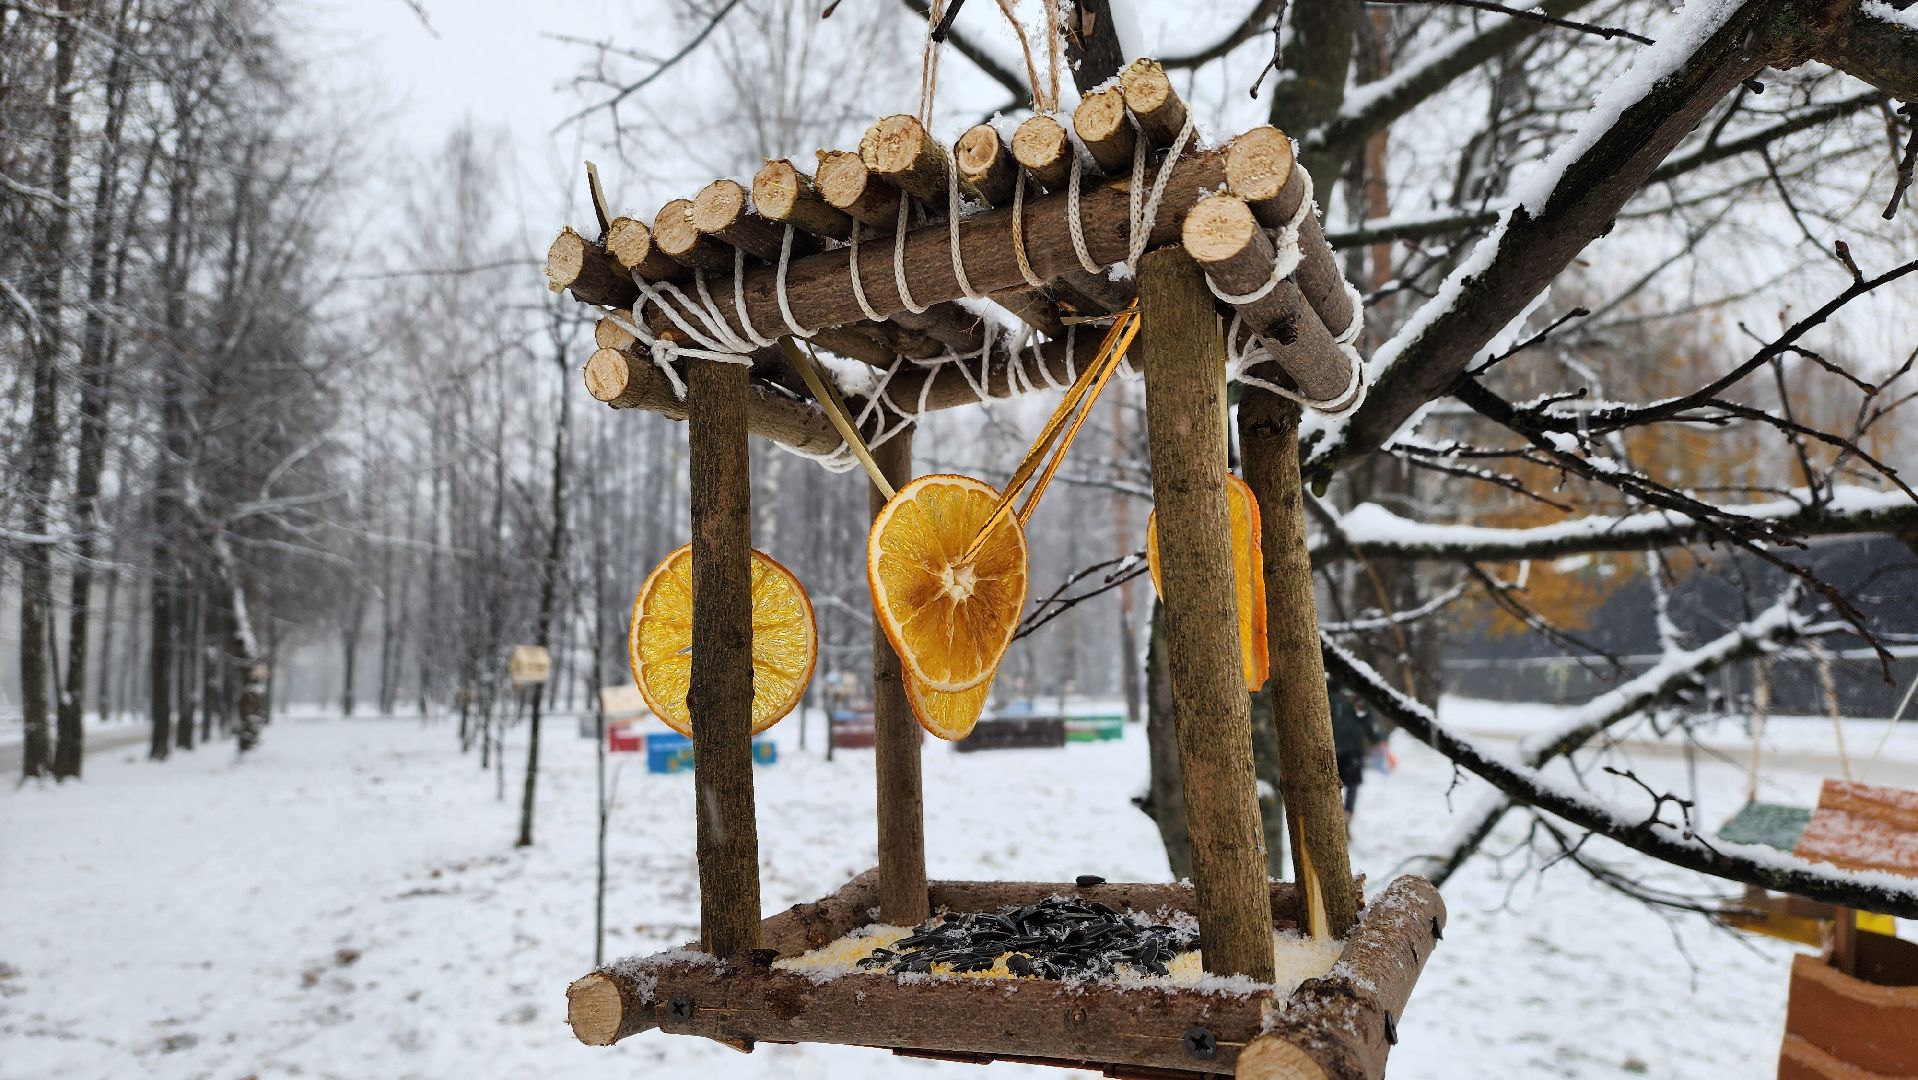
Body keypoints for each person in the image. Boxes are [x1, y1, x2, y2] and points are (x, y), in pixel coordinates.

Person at [1329, 684, 1382, 827]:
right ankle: (1345, 818)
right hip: (1350, 749)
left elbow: (1367, 719)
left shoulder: (1328, 692)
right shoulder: (1356, 696)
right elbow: (1368, 721)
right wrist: (1376, 738)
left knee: (1333, 786)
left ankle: (1338, 818)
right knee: (1351, 786)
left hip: (1332, 748)